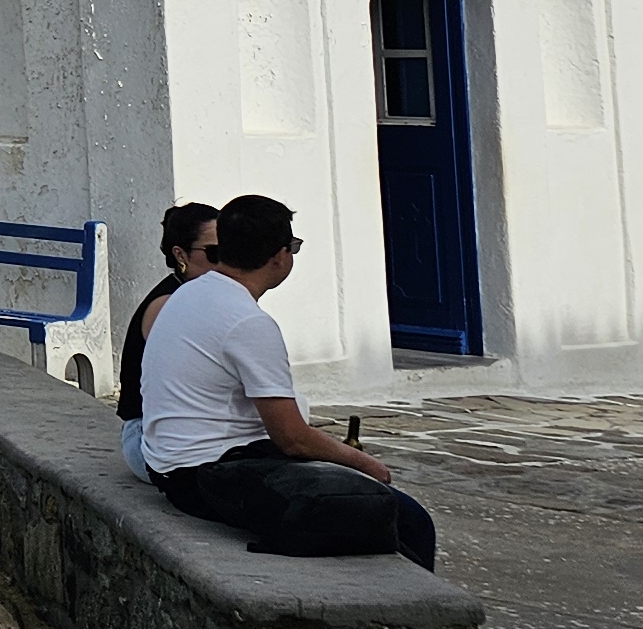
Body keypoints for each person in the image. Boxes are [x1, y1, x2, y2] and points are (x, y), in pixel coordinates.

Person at [140, 196, 438, 570]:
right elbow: (292, 438)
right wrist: (368, 465)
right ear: (281, 257)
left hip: (167, 464)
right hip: (207, 475)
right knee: (409, 519)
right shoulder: (247, 322)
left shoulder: (188, 293)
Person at [113, 201, 225, 483]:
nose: (226, 260)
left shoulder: (202, 296)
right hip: (151, 437)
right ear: (180, 254)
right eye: (214, 252)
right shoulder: (168, 304)